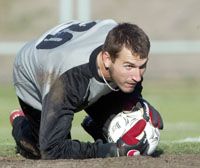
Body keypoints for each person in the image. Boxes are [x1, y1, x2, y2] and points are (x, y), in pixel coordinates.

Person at [10, 19, 163, 159]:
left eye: (142, 66)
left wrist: (138, 104)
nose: (137, 76)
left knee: (125, 124)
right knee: (42, 149)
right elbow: (51, 149)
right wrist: (110, 151)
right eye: (129, 66)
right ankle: (19, 121)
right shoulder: (68, 81)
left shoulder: (121, 45)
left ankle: (96, 122)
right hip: (34, 72)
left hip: (75, 53)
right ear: (107, 59)